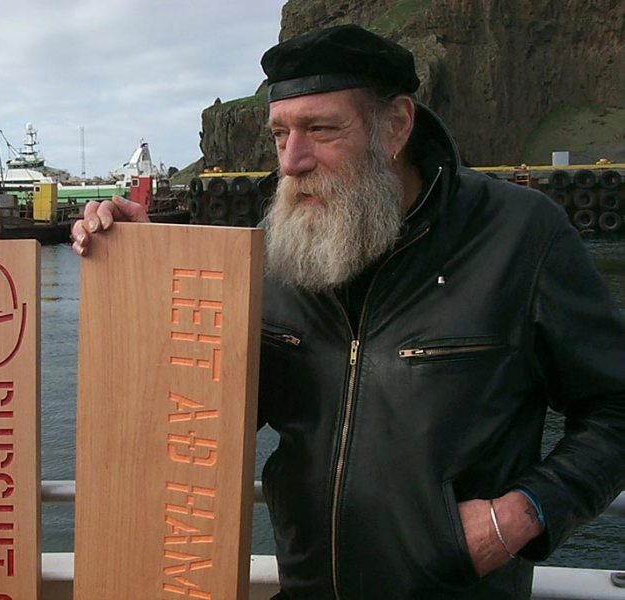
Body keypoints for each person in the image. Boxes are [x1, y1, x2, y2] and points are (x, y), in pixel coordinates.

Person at [71, 24, 625, 600]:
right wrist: (148, 274)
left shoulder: (520, 235)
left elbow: (614, 405)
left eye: (320, 129)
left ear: (396, 126)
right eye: (280, 133)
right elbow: (206, 405)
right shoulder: (275, 249)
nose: (291, 161)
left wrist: (519, 517)